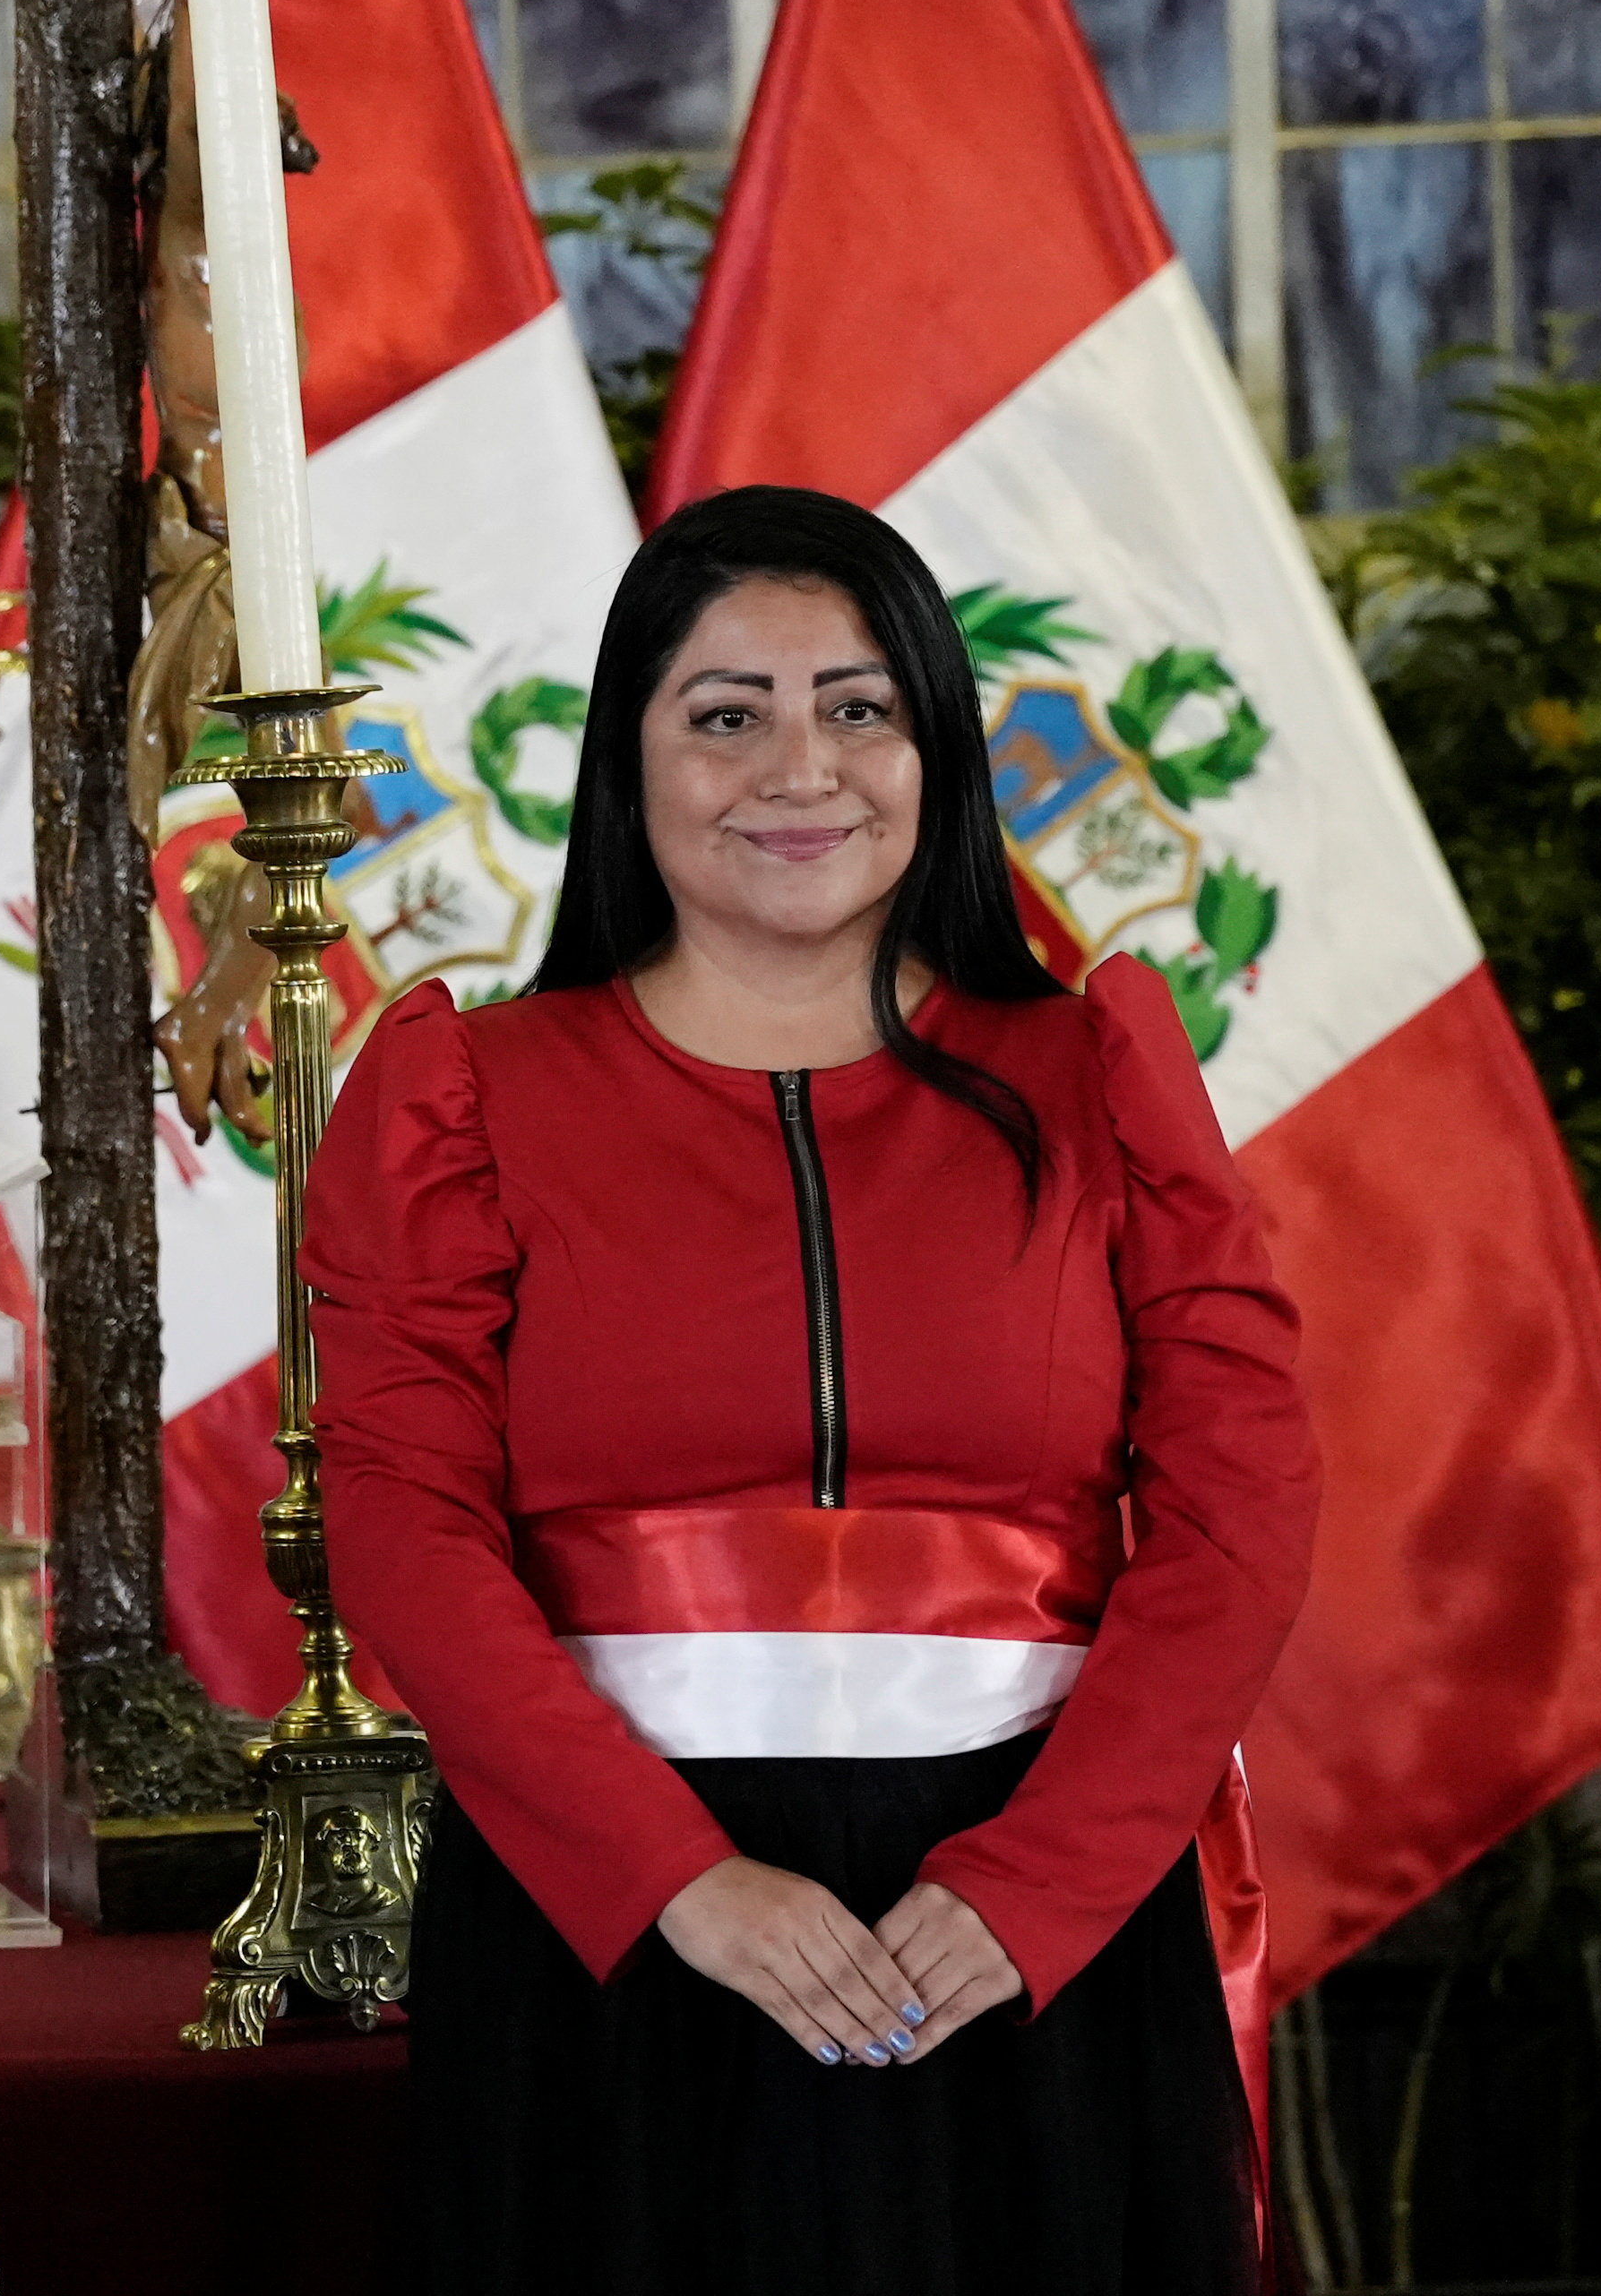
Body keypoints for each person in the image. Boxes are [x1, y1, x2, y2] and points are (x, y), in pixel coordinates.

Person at [307, 486, 1319, 2294]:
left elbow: (1242, 1508)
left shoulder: (1098, 1069)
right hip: (617, 1944)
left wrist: (1038, 1886)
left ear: (937, 749)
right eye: (728, 713)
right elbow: (402, 1524)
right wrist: (674, 1882)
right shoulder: (462, 1091)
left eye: (861, 707)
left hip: (1023, 1946)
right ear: (627, 759)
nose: (802, 767)